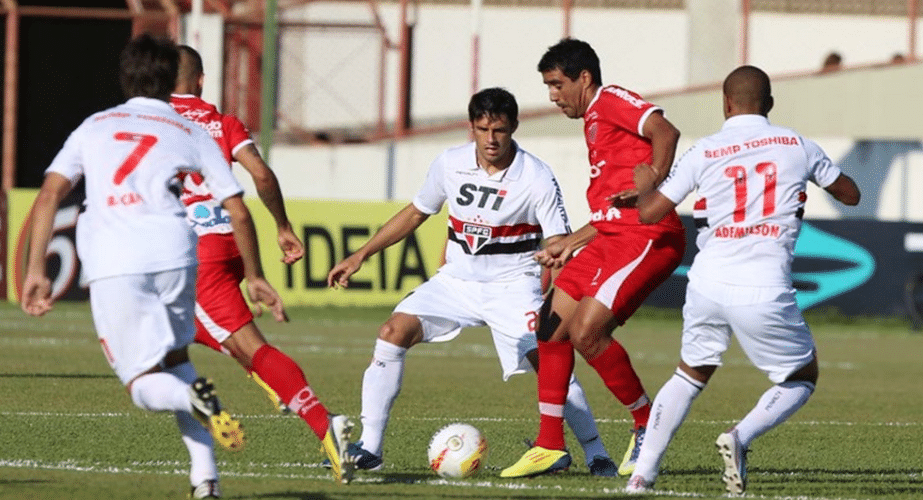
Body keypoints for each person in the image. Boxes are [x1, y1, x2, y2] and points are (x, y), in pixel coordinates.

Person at [326, 87, 619, 477]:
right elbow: (416, 213)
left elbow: (557, 242)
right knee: (392, 331)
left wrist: (558, 290)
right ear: (472, 128)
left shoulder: (536, 176)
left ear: (514, 127)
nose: (491, 139)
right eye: (482, 129)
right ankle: (370, 446)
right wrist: (360, 255)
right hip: (456, 282)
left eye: (499, 129)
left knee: (549, 361)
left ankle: (596, 452)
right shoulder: (449, 163)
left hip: (514, 285)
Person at [21, 34, 254, 499]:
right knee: (178, 361)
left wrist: (35, 269)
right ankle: (205, 481)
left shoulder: (95, 125)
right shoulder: (192, 131)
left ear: (125, 78)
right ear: (173, 82)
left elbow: (50, 193)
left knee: (144, 384)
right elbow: (239, 208)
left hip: (116, 257)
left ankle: (191, 399)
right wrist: (258, 275)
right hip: (177, 251)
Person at [624, 65, 861, 494]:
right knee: (801, 376)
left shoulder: (705, 150)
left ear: (725, 103)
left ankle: (642, 475)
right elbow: (851, 194)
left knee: (689, 374)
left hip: (708, 283)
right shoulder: (796, 144)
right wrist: (815, 175)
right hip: (763, 285)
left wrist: (645, 183)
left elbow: (650, 213)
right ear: (769, 104)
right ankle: (740, 437)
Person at [168, 45, 354, 485]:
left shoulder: (157, 123)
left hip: (195, 254)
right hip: (231, 242)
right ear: (200, 80)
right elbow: (263, 175)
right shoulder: (224, 123)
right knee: (184, 339)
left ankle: (324, 423)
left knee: (239, 345)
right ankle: (276, 390)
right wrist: (283, 226)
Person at [502, 38, 685, 478]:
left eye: (557, 83)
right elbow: (610, 211)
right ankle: (549, 445)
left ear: (584, 78)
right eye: (548, 85)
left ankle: (646, 426)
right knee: (549, 326)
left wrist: (655, 179)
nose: (552, 94)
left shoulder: (611, 99)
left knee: (587, 332)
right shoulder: (593, 121)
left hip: (648, 235)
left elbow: (666, 131)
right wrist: (572, 242)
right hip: (609, 236)